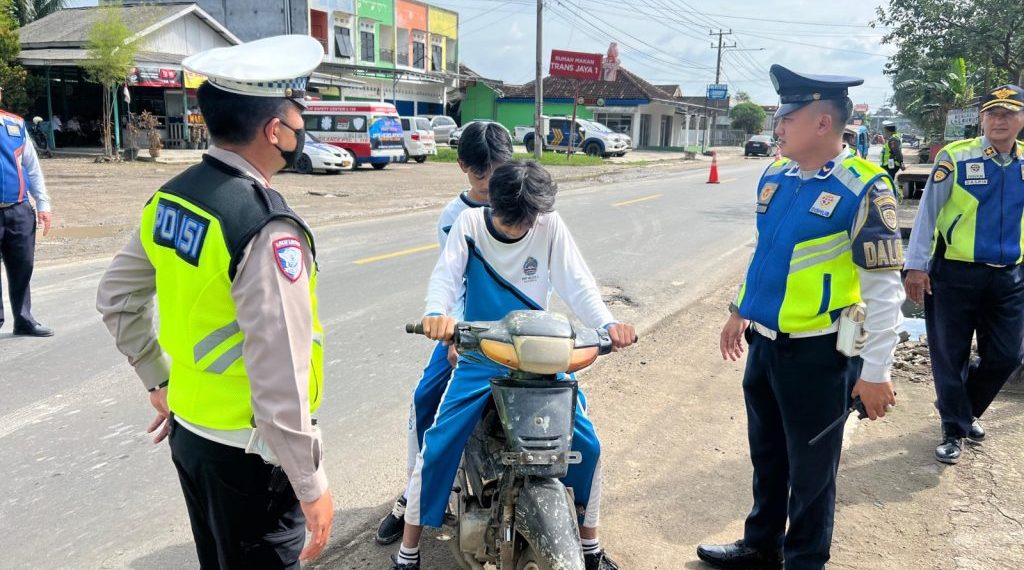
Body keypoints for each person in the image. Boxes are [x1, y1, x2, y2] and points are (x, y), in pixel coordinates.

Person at [95, 36, 334, 568]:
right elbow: (279, 371)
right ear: (275, 129)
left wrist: (158, 381)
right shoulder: (265, 228)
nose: (302, 125)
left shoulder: (171, 197)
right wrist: (310, 482)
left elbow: (116, 298)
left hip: (191, 436)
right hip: (251, 456)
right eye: (296, 112)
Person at [697, 65, 904, 570]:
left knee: (812, 469)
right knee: (768, 455)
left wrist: (876, 373)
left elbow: (884, 292)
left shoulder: (865, 189)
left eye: (789, 117)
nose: (778, 126)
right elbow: (766, 255)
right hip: (765, 344)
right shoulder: (776, 176)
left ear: (823, 123)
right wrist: (740, 309)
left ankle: (805, 560)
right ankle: (760, 544)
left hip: (820, 353)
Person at [392, 160, 637, 570]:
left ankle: (590, 543)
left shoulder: (549, 224)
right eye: (511, 220)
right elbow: (446, 278)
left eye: (528, 220)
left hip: (539, 353)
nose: (519, 228)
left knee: (588, 445)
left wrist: (607, 324)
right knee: (438, 446)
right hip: (482, 351)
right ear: (492, 202)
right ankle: (409, 550)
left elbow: (577, 282)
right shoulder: (469, 225)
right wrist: (437, 313)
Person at [374, 120, 514, 545]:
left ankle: (573, 515)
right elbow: (453, 283)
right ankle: (413, 492)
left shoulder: (523, 202)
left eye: (497, 170)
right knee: (425, 399)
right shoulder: (454, 217)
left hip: (519, 331)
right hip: (468, 328)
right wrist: (452, 334)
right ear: (462, 167)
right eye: (480, 172)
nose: (489, 182)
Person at [903, 84, 1024, 465]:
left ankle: (962, 407)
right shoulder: (956, 157)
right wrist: (916, 265)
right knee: (949, 354)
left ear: (1021, 119)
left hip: (1009, 276)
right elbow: (928, 212)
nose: (1000, 120)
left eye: (1009, 113)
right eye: (993, 113)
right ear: (982, 119)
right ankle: (954, 429)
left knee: (1006, 355)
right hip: (954, 273)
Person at [0, 85, 54, 337]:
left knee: (23, 264)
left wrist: (43, 204)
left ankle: (23, 319)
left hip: (18, 209)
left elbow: (32, 168)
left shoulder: (15, 125)